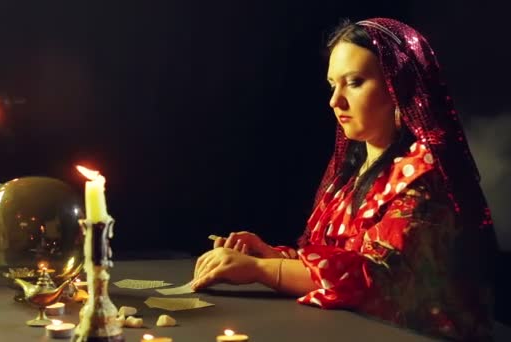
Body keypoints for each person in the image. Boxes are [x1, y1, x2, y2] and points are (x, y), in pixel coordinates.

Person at [191, 18, 499, 340]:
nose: (335, 101)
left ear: (399, 88)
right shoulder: (352, 175)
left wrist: (261, 271)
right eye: (332, 84)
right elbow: (334, 259)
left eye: (353, 82)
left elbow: (377, 278)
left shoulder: (424, 176)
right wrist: (270, 255)